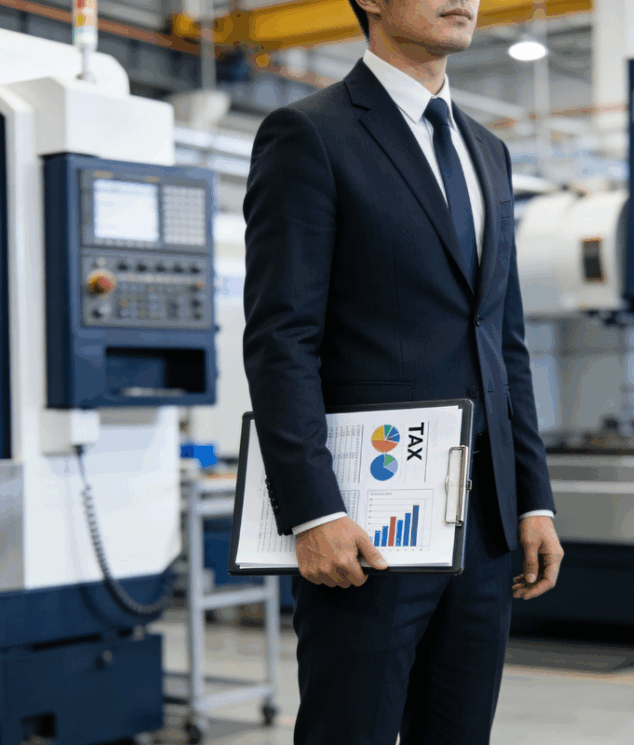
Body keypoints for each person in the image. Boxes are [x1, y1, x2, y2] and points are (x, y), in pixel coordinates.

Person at [241, 0, 564, 741]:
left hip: (483, 528)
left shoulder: (488, 150)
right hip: (369, 525)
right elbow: (281, 339)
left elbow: (503, 340)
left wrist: (533, 498)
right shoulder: (312, 134)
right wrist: (313, 512)